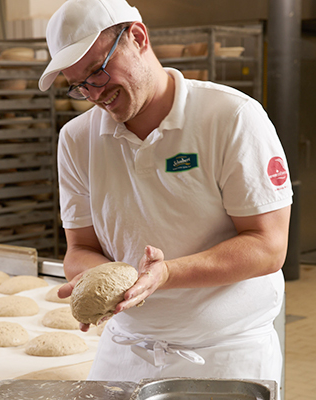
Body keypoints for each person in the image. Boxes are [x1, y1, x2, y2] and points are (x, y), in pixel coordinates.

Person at [39, 0, 293, 391]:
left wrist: (167, 274)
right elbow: (80, 248)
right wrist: (95, 281)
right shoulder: (76, 139)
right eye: (78, 85)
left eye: (97, 72)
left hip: (224, 353)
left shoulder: (231, 118)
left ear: (137, 38)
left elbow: (268, 245)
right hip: (125, 350)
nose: (93, 93)